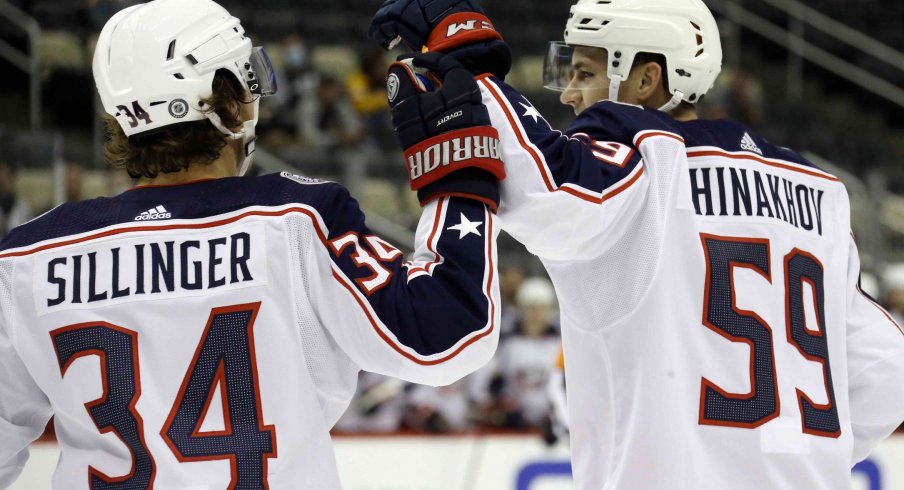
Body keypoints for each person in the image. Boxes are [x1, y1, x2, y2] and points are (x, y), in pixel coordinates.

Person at [370, 0, 904, 488]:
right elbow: (888, 371)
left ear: (647, 79)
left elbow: (543, 180)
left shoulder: (651, 158)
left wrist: (466, 64)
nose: (569, 92)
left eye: (584, 71)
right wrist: (798, 456)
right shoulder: (822, 193)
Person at [0, 0, 506, 488]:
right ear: (226, 101)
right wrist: (458, 167)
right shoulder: (297, 219)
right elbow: (449, 336)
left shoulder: (26, 259)